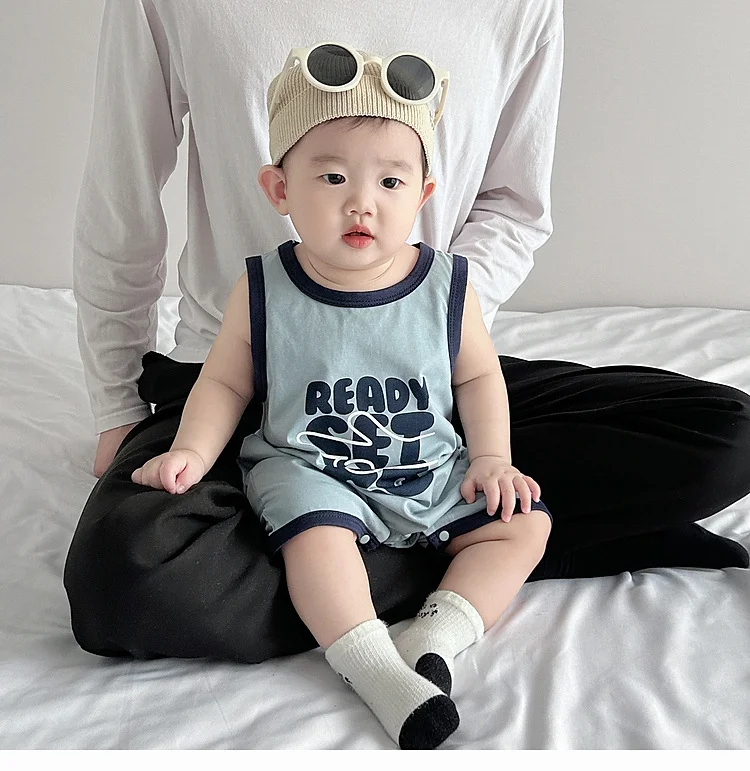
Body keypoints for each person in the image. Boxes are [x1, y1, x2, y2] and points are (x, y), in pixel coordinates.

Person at [64, 1, 750, 669]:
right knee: (125, 579)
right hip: (241, 379)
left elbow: (513, 207)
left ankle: (424, 550)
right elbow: (121, 201)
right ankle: (481, 550)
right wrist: (117, 402)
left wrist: (423, 317)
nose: (360, 199)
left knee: (727, 435)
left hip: (425, 384)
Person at [130, 43, 553, 748]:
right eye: (332, 177)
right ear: (279, 189)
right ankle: (370, 663)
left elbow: (477, 378)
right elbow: (226, 380)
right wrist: (191, 452)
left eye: (390, 181)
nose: (362, 201)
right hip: (311, 466)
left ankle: (438, 632)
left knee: (524, 524)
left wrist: (491, 458)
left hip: (425, 464)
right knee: (315, 540)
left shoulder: (448, 285)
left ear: (422, 195)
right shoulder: (265, 286)